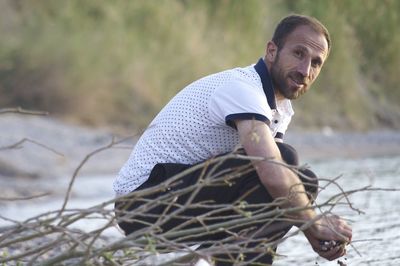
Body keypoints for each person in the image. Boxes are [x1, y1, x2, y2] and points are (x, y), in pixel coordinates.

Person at [113, 14, 352, 265]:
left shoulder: (281, 108)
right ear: (272, 51)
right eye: (298, 54)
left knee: (302, 182)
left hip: (179, 200)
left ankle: (215, 259)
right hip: (141, 207)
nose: (305, 70)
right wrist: (315, 225)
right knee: (285, 163)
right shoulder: (243, 89)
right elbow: (272, 173)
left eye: (316, 63)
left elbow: (279, 189)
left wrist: (313, 232)